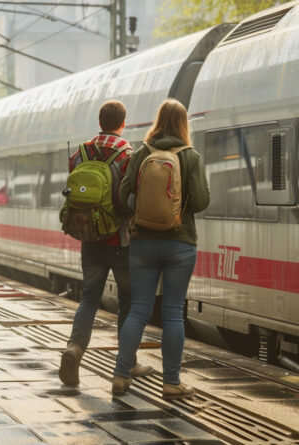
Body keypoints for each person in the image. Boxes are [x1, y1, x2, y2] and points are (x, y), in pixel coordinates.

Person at [112, 98, 210, 399]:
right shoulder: (190, 156)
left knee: (139, 310)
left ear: (157, 121)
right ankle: (171, 382)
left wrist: (141, 212)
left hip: (143, 243)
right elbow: (201, 202)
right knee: (173, 313)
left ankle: (120, 375)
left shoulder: (142, 152)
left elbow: (123, 195)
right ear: (183, 124)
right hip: (180, 243)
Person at [58, 100, 153, 386]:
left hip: (89, 237)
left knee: (89, 298)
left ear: (100, 122)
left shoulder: (80, 153)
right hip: (121, 240)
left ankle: (75, 348)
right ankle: (127, 363)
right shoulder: (128, 155)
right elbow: (132, 198)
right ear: (123, 123)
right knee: (127, 300)